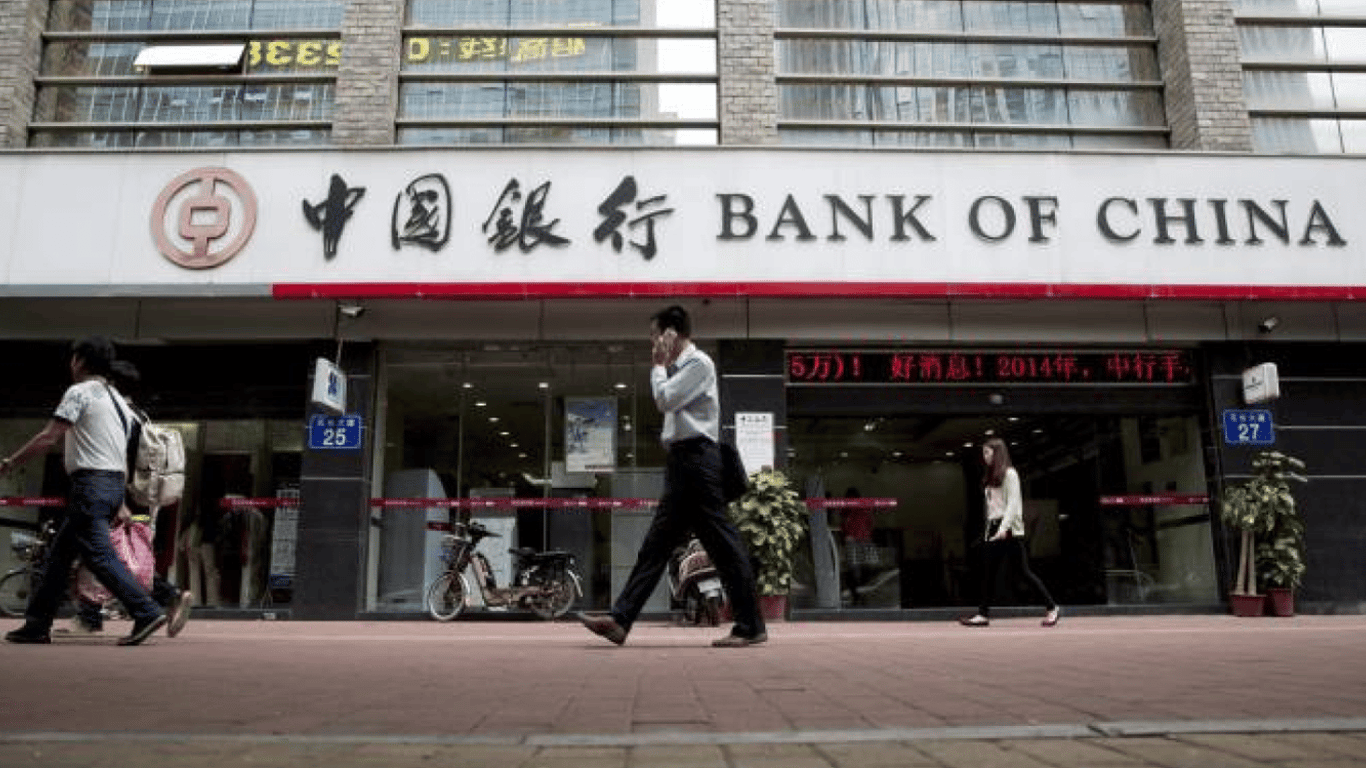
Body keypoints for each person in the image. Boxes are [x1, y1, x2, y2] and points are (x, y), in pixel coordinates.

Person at [578, 305, 767, 647]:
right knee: (658, 545)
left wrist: (657, 366)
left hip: (697, 461)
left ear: (671, 334)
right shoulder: (681, 369)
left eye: (655, 334)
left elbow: (665, 399)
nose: (652, 342)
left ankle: (750, 626)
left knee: (722, 547)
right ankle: (620, 619)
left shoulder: (698, 364)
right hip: (684, 463)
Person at [1, 337, 167, 645]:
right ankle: (37, 624)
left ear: (79, 361)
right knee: (58, 558)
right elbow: (120, 452)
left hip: (90, 483)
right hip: (112, 484)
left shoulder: (79, 392)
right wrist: (119, 499)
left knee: (99, 555)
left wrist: (11, 463)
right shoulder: (119, 402)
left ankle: (146, 610)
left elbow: (49, 436)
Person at [64, 360, 193, 638]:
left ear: (111, 383)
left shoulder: (115, 415)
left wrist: (119, 502)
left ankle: (95, 616)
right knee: (119, 554)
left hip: (119, 497)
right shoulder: (141, 417)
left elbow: (116, 460)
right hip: (142, 501)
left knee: (102, 553)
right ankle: (96, 614)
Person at [959, 437, 1061, 628]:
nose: (984, 456)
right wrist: (990, 531)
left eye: (987, 452)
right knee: (989, 573)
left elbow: (1013, 505)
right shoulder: (991, 476)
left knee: (1022, 572)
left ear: (997, 453)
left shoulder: (1010, 474)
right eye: (983, 453)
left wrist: (1003, 529)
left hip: (1009, 529)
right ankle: (983, 614)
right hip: (994, 526)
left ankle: (1052, 607)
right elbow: (993, 508)